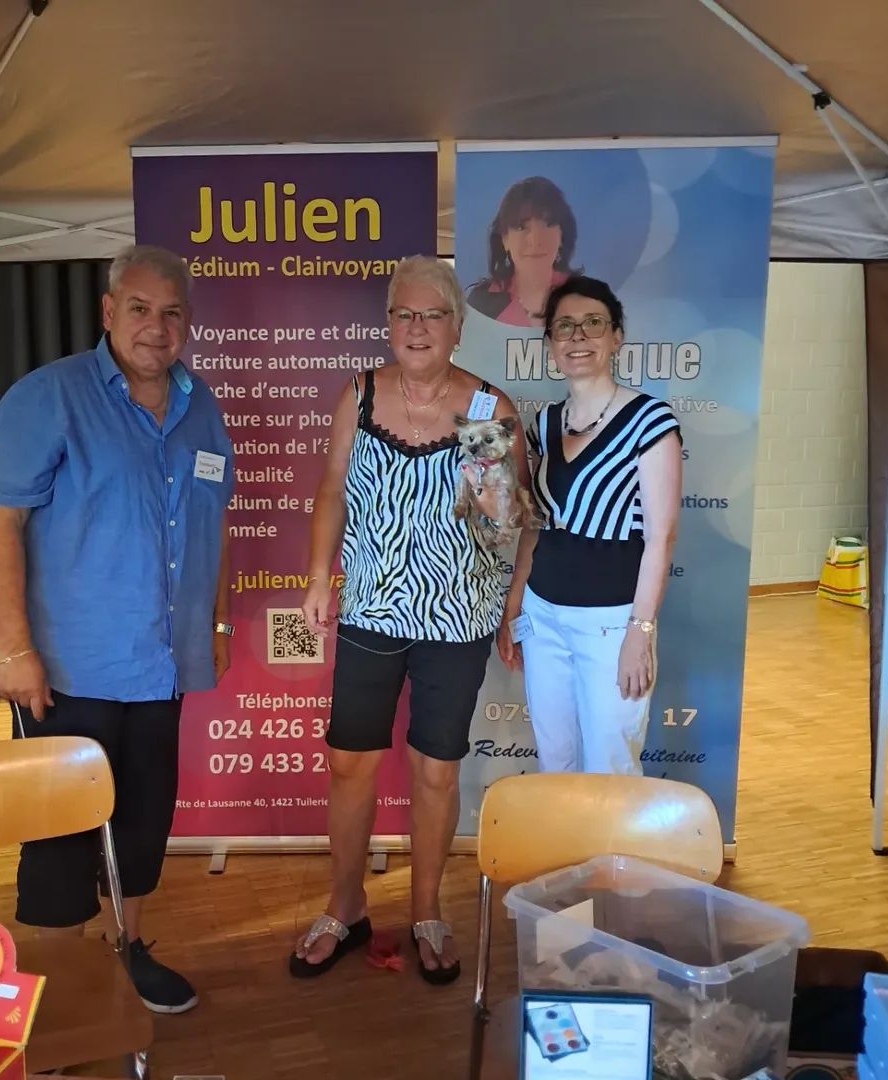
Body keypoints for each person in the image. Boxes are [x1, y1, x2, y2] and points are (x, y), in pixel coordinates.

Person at [0, 244, 234, 1015]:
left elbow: (213, 520)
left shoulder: (200, 405)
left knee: (143, 822)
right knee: (59, 835)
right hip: (66, 669)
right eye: (140, 309)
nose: (157, 327)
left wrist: (216, 620)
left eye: (172, 313)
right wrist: (13, 648)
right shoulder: (48, 397)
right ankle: (58, 994)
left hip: (161, 666)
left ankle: (126, 953)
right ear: (108, 311)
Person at [289, 255, 530, 984]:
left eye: (434, 314)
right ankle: (345, 905)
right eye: (405, 313)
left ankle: (426, 910)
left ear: (457, 327)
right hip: (370, 608)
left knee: (435, 769)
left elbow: (505, 525)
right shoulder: (360, 393)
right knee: (349, 761)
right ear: (388, 323)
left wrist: (494, 499)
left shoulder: (487, 408)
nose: (418, 327)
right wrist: (318, 576)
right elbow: (332, 489)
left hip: (455, 617)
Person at [498, 276, 682, 774]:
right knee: (555, 761)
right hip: (543, 617)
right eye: (565, 326)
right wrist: (515, 605)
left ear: (616, 337)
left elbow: (661, 537)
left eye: (593, 323)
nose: (578, 336)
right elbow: (534, 523)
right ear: (550, 344)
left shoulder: (650, 421)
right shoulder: (544, 423)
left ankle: (609, 840)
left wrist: (640, 633)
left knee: (610, 767)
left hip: (611, 623)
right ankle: (562, 837)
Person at [466, 176, 581, 328]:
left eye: (547, 224)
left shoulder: (585, 295)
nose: (535, 240)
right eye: (521, 227)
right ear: (504, 239)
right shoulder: (480, 302)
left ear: (562, 235)